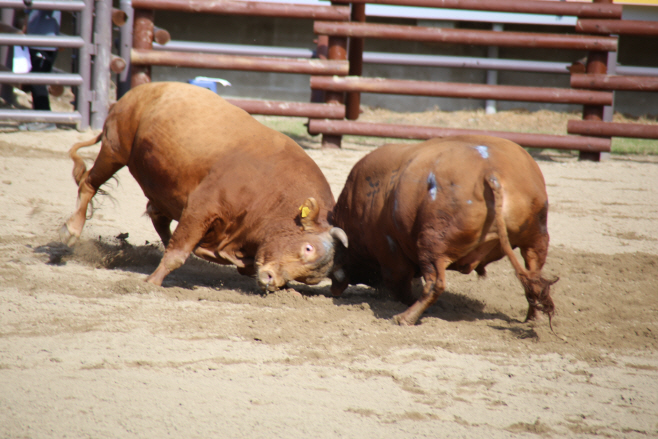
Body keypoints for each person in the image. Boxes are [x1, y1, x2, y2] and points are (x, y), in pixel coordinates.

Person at [20, 8, 61, 131]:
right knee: (36, 79)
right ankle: (40, 117)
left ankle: (45, 119)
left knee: (38, 80)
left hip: (45, 41)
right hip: (37, 39)